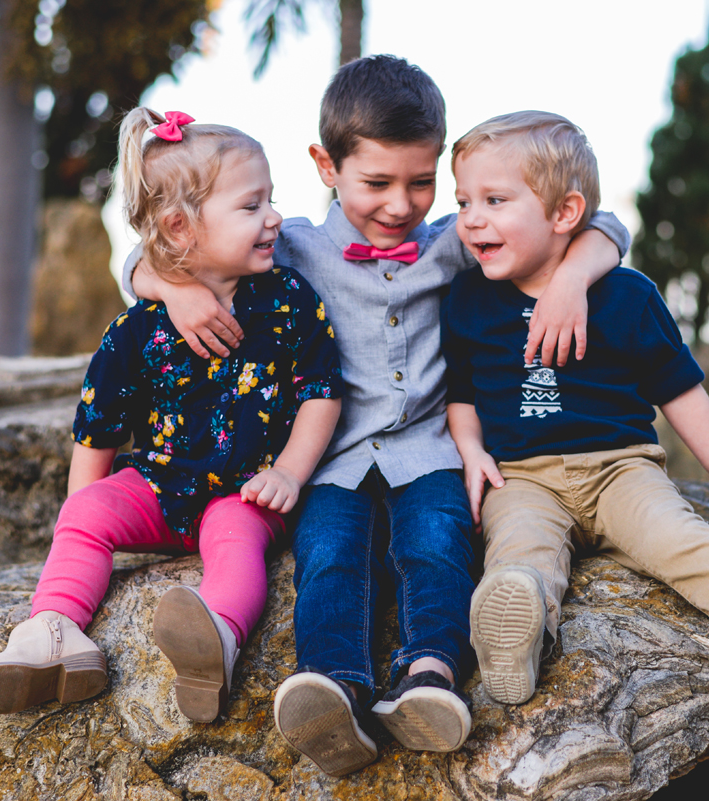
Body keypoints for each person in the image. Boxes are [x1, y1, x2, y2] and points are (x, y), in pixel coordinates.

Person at [125, 56, 631, 776]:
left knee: (439, 540)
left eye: (422, 182)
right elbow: (148, 261)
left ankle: (430, 674)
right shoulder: (290, 242)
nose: (401, 204)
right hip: (327, 456)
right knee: (330, 554)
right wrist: (170, 291)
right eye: (377, 183)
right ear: (326, 165)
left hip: (429, 447)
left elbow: (603, 219)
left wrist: (574, 275)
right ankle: (333, 687)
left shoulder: (456, 241)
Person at [0, 107, 343, 724]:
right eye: (251, 206)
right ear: (180, 228)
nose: (275, 218)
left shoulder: (288, 299)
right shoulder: (137, 329)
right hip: (157, 488)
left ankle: (215, 637)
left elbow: (321, 388)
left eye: (272, 200)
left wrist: (290, 473)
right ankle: (52, 636)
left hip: (246, 493)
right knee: (86, 510)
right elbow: (97, 429)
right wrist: (82, 522)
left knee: (236, 545)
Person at [442, 110, 709, 710]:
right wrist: (471, 451)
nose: (470, 219)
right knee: (519, 555)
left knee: (682, 540)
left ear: (564, 214)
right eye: (463, 199)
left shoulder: (625, 295)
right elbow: (462, 393)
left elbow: (678, 388)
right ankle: (514, 638)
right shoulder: (468, 298)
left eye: (494, 200)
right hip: (521, 478)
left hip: (620, 469)